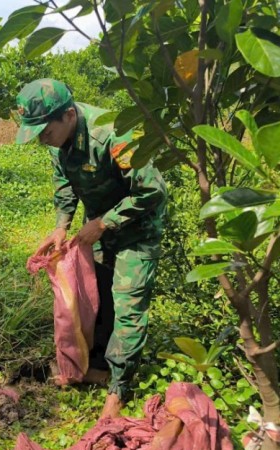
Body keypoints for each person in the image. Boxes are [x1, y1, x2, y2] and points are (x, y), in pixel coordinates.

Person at [15, 79, 167, 419]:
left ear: (69, 115)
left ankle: (119, 389)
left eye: (45, 131)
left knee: (127, 304)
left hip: (136, 229)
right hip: (97, 227)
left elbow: (152, 192)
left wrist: (103, 223)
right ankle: (94, 368)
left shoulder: (114, 134)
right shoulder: (57, 141)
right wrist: (61, 226)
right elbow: (65, 183)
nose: (42, 140)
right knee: (97, 297)